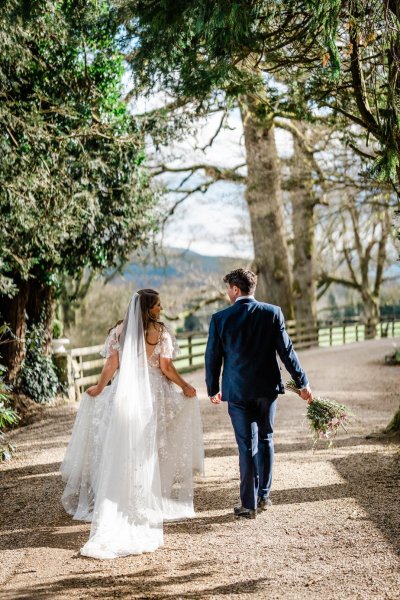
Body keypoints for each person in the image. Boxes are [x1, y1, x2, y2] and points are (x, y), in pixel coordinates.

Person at [60, 289, 204, 559]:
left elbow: (111, 365)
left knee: (124, 445)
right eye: (158, 305)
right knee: (149, 447)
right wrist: (184, 385)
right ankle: (145, 499)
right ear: (149, 308)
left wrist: (100, 387)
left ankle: (120, 498)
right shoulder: (160, 333)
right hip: (153, 395)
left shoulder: (118, 331)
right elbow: (166, 368)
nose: (162, 308)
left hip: (124, 395)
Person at [205, 269, 312, 519]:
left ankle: (248, 504)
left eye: (228, 289)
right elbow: (287, 351)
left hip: (238, 391)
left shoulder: (220, 319)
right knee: (265, 439)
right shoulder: (272, 313)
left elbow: (212, 357)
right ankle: (264, 495)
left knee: (246, 445)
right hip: (267, 389)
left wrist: (213, 388)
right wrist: (302, 381)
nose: (227, 293)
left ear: (235, 289)